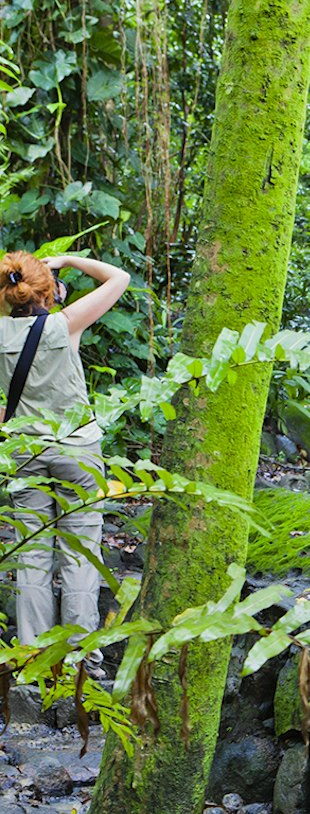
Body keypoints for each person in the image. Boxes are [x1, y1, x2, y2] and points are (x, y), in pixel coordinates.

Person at [0, 251, 130, 649]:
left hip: (26, 454)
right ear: (48, 290)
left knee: (32, 557)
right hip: (78, 451)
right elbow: (119, 277)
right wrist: (69, 260)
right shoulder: (65, 325)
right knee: (79, 555)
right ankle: (78, 662)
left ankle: (33, 659)